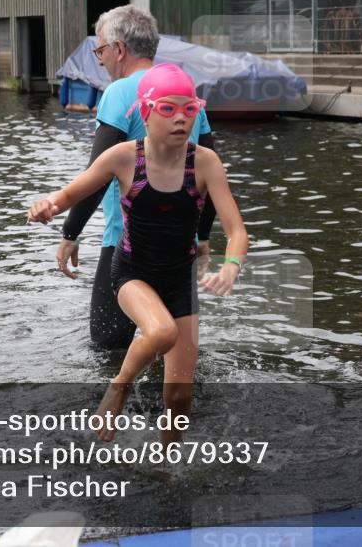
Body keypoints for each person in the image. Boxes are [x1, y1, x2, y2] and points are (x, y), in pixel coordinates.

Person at [30, 63, 248, 443]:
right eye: (168, 109)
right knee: (160, 332)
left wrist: (230, 267)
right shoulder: (123, 157)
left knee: (179, 395)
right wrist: (49, 205)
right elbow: (70, 194)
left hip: (179, 280)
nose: (181, 119)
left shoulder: (205, 163)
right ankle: (119, 387)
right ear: (146, 112)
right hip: (132, 274)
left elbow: (236, 230)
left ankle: (167, 461)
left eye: (189, 110)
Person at [56, 5, 221, 350]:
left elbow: (96, 174)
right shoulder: (184, 93)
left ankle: (116, 401)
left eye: (100, 50)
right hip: (181, 250)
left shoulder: (118, 93)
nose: (100, 61)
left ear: (119, 49)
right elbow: (209, 173)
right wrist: (202, 235)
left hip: (127, 245)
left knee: (107, 347)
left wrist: (70, 233)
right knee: (174, 355)